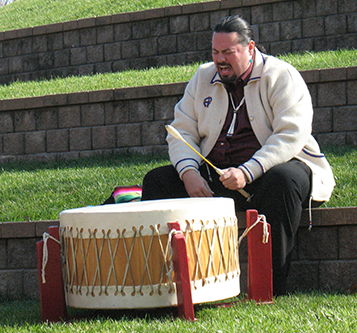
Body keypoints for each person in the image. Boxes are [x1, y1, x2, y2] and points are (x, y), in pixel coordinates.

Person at [141, 15, 335, 296]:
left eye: (228, 52)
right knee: (157, 181)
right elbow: (181, 130)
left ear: (250, 48)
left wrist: (247, 172)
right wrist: (189, 174)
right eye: (215, 52)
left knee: (284, 180)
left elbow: (291, 135)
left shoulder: (282, 76)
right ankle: (166, 288)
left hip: (271, 171)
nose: (220, 60)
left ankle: (269, 289)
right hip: (218, 176)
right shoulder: (202, 77)